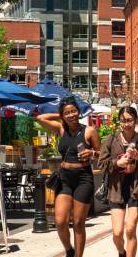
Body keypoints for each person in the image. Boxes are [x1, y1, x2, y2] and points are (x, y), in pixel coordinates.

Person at [35, 97, 101, 257]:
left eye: (74, 111)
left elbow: (102, 155)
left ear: (79, 112)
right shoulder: (61, 129)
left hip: (83, 179)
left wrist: (92, 153)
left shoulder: (89, 131)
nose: (72, 115)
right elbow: (40, 118)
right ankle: (69, 251)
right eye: (67, 112)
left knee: (78, 223)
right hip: (64, 179)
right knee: (60, 221)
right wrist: (60, 116)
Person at [98, 107, 138, 257]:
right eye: (123, 120)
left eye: (130, 120)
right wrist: (118, 163)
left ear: (136, 120)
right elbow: (101, 164)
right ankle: (122, 253)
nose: (126, 124)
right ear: (119, 122)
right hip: (116, 190)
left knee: (130, 229)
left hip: (136, 189)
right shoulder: (111, 140)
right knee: (117, 233)